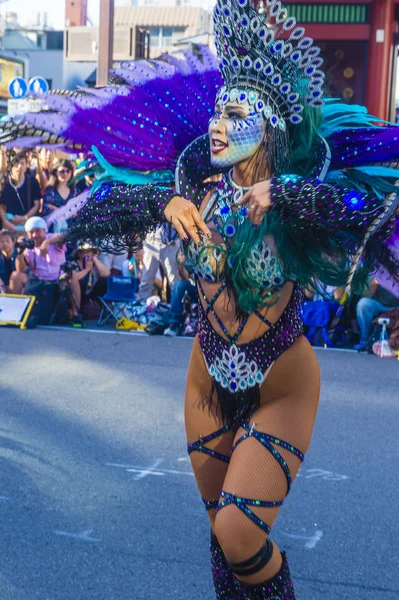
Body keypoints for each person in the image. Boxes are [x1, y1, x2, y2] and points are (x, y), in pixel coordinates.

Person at [3, 5, 398, 596]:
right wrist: (161, 204)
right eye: (216, 111)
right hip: (204, 380)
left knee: (242, 535)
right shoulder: (191, 189)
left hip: (280, 382)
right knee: (223, 535)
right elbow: (108, 204)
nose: (216, 123)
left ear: (266, 128)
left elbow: (367, 209)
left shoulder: (302, 197)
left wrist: (286, 192)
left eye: (234, 114)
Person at [12, 216, 83, 326]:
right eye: (31, 232)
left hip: (58, 279)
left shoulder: (53, 239)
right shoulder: (29, 245)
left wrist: (47, 243)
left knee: (72, 276)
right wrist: (20, 252)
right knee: (16, 275)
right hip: (37, 281)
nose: (35, 235)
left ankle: (75, 313)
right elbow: (20, 269)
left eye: (38, 231)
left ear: (45, 230)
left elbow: (66, 236)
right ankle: (15, 312)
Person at [136, 223, 181, 302]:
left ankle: (177, 311)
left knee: (175, 283)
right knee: (146, 280)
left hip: (171, 242)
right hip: (151, 241)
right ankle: (142, 309)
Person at [0, 150, 41, 232]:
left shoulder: (32, 182)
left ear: (26, 165)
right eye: (16, 163)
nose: (19, 166)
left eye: (22, 163)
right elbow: (1, 206)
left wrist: (24, 218)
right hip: (8, 225)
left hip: (28, 226)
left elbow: (37, 205)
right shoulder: (3, 182)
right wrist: (5, 221)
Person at [164, 251, 197, 336]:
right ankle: (174, 325)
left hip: (211, 291)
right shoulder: (191, 249)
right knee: (179, 284)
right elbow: (185, 278)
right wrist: (182, 265)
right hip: (197, 291)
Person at [41, 158, 77, 232]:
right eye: (62, 171)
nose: (65, 174)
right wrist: (64, 212)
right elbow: (45, 208)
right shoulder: (50, 190)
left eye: (68, 171)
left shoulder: (75, 191)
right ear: (55, 172)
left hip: (72, 232)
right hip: (53, 231)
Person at [71, 242, 111, 308]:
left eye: (91, 251)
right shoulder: (73, 262)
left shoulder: (93, 263)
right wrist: (87, 269)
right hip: (77, 295)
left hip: (90, 294)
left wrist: (95, 259)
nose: (88, 254)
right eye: (86, 251)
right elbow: (73, 278)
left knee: (104, 281)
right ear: (79, 253)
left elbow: (106, 274)